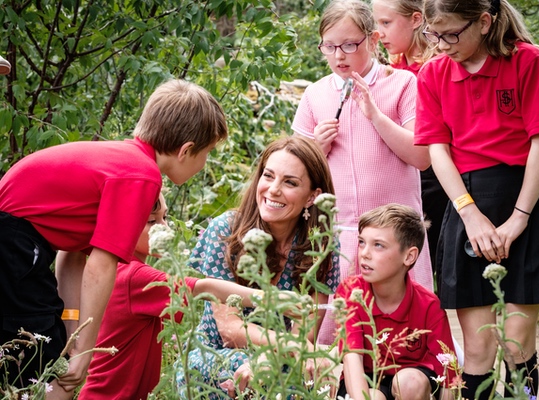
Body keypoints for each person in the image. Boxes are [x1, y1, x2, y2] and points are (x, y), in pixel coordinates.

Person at [0, 79, 227, 398]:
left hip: (20, 242)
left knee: (52, 350)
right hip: (15, 241)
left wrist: (73, 332)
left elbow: (73, 255)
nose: (204, 163)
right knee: (40, 359)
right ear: (186, 150)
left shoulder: (123, 159)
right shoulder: (141, 174)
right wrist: (85, 352)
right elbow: (101, 265)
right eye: (207, 153)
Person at [414, 0, 539, 398]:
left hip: (524, 199)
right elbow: (437, 150)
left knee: (515, 343)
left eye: (451, 34)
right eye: (434, 35)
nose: (442, 45)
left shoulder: (527, 61)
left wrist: (519, 218)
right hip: (465, 202)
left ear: (484, 22)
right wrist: (469, 213)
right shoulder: (432, 73)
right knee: (479, 347)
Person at [292, 0, 433, 346]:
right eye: (329, 46)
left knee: (402, 338)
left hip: (396, 235)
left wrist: (376, 116)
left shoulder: (402, 84)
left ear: (372, 40)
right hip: (336, 237)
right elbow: (294, 168)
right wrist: (317, 150)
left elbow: (421, 156)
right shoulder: (315, 94)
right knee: (333, 337)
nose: (339, 55)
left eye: (350, 45)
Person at [78, 193, 294, 400]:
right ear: (119, 224)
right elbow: (206, 288)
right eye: (152, 221)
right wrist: (274, 300)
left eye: (165, 217)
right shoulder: (133, 276)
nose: (164, 227)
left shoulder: (121, 270)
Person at [176, 135, 340, 399]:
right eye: (268, 176)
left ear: (312, 197)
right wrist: (283, 348)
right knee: (249, 373)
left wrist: (274, 356)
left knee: (306, 376)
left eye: (290, 182)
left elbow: (305, 333)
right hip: (214, 356)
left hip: (284, 361)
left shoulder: (320, 246)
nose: (273, 189)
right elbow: (229, 329)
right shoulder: (227, 232)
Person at [336, 204, 456, 400]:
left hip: (411, 382)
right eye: (361, 242)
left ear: (409, 256)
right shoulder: (351, 292)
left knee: (409, 383)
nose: (364, 253)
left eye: (378, 245)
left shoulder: (429, 304)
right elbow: (352, 358)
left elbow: (449, 372)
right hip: (364, 381)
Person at [371, 0, 447, 268]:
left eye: (386, 23)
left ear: (416, 19)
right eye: (376, 24)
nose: (379, 33)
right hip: (393, 180)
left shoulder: (440, 66)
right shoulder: (387, 71)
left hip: (437, 180)